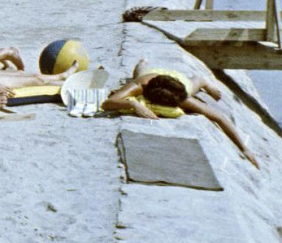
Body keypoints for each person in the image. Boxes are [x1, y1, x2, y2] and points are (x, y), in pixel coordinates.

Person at [102, 62, 258, 167]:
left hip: (177, 82)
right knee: (140, 71)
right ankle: (143, 61)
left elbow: (219, 118)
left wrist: (244, 148)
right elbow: (107, 103)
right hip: (151, 78)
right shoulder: (138, 86)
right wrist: (133, 103)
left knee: (194, 83)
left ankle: (204, 81)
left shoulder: (182, 97)